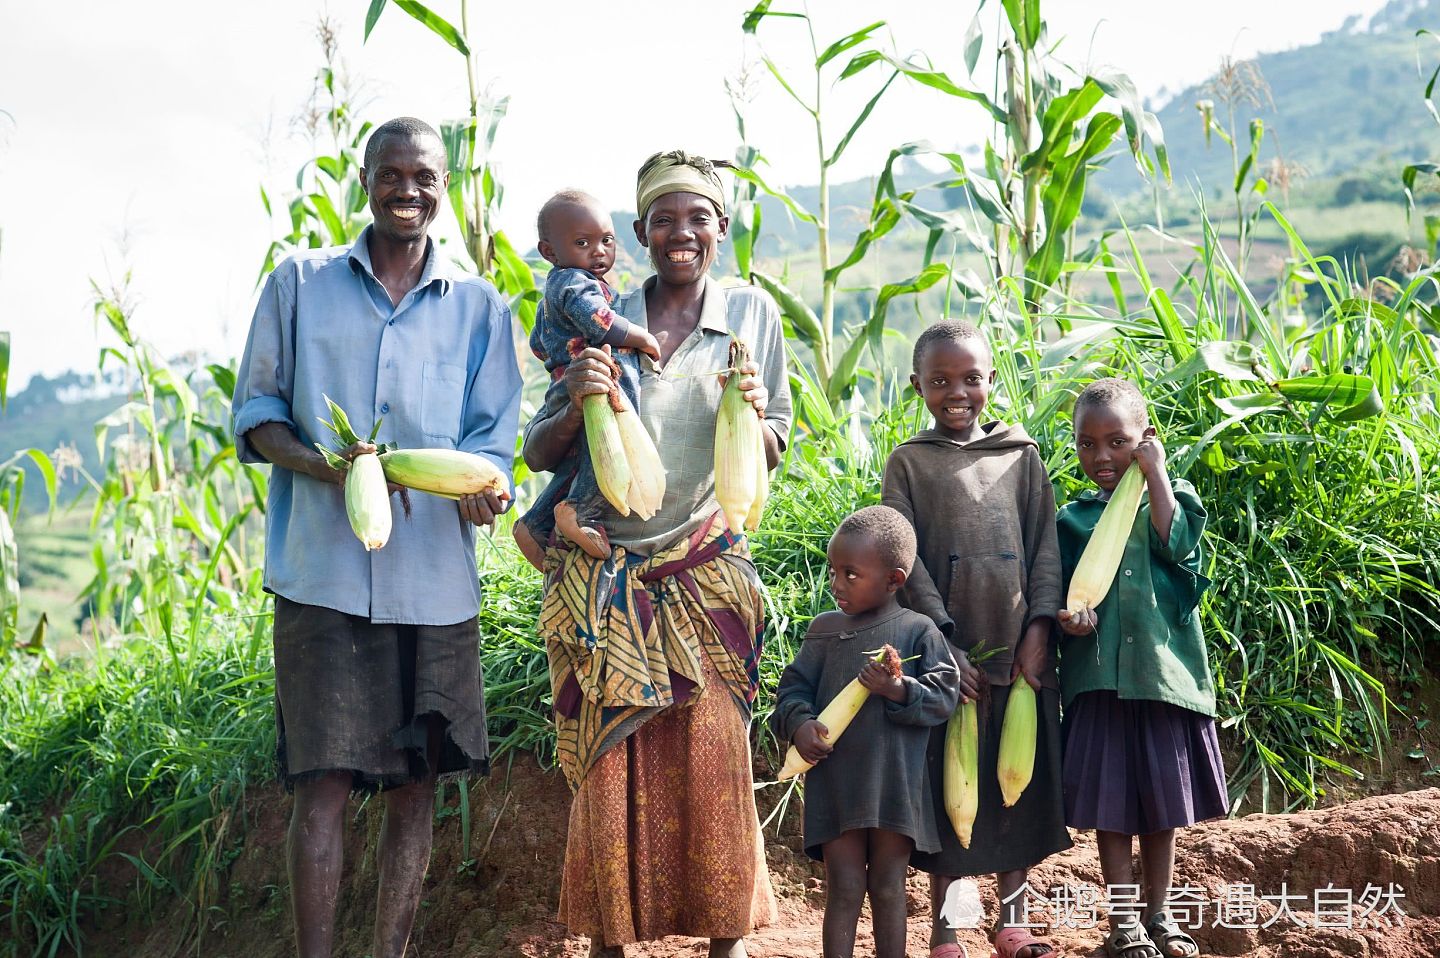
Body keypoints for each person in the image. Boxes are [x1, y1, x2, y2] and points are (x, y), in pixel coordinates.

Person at [230, 116, 521, 958]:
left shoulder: (478, 307)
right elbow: (256, 420)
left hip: (433, 583)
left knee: (417, 787)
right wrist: (339, 469)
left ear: (444, 184)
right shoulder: (299, 285)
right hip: (320, 576)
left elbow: (490, 447)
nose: (408, 190)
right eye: (391, 174)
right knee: (319, 784)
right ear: (363, 180)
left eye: (424, 176)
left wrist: (482, 496)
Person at [523, 150, 790, 958]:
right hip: (607, 580)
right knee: (611, 766)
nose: (682, 234)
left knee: (715, 755)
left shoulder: (751, 317)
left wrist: (753, 415)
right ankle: (611, 935)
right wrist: (577, 401)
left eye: (697, 218)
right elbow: (538, 452)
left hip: (704, 569)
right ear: (639, 234)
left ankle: (724, 939)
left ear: (721, 229)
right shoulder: (592, 311)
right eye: (664, 220)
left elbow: (773, 443)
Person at [881, 320, 1071, 958]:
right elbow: (905, 561)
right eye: (939, 381)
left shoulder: (1021, 455)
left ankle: (1011, 923)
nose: (956, 392)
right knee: (952, 791)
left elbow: (1045, 548)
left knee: (1011, 786)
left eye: (970, 379)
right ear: (918, 387)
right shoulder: (908, 462)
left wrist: (1039, 628)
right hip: (947, 658)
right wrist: (941, 645)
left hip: (1019, 652)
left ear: (991, 380)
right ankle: (948, 928)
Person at [1055, 378, 1226, 958]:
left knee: (1160, 808)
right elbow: (1064, 597)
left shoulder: (1175, 496)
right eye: (1087, 444)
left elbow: (1177, 546)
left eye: (1118, 441)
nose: (1101, 457)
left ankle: (1161, 917)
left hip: (1161, 678)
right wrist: (1070, 622)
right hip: (1099, 680)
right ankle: (1125, 926)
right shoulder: (1072, 520)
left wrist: (1154, 476)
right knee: (1111, 811)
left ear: (1145, 439)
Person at [771, 505, 966, 958]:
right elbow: (792, 692)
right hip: (836, 784)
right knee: (842, 886)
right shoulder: (825, 631)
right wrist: (799, 725)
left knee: (888, 885)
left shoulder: (918, 631)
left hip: (895, 786)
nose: (837, 584)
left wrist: (899, 690)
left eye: (851, 574)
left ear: (894, 580)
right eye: (834, 570)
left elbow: (944, 696)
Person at [513, 190, 662, 567]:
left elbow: (537, 342)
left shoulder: (555, 287)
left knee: (578, 462)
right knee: (612, 438)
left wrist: (559, 363)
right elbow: (600, 320)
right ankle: (583, 512)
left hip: (564, 381)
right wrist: (641, 338)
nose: (598, 252)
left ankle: (536, 523)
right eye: (582, 243)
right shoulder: (573, 281)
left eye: (606, 241)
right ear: (549, 252)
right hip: (588, 379)